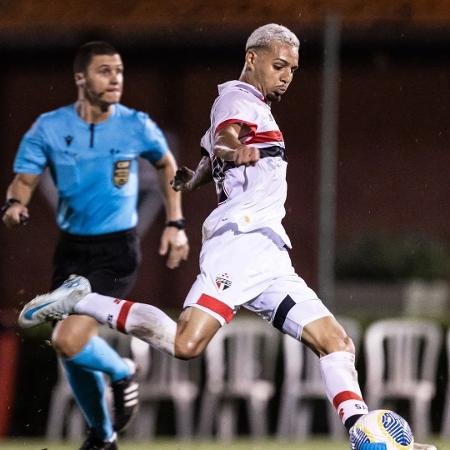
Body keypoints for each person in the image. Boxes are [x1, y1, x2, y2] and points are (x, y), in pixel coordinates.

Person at [16, 26, 432, 449]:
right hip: (240, 242)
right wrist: (234, 149)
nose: (286, 76)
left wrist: (192, 178)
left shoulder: (252, 106)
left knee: (336, 342)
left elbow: (209, 157)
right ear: (252, 58)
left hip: (270, 253)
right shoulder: (236, 99)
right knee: (186, 343)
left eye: (292, 69)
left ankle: (364, 435)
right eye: (279, 65)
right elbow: (225, 138)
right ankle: (79, 298)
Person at [3, 41, 189, 450]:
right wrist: (16, 204)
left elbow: (166, 164)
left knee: (68, 340)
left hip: (115, 251)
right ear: (80, 78)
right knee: (68, 347)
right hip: (71, 250)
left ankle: (122, 371)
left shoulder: (135, 124)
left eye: (119, 71)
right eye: (105, 71)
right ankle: (102, 436)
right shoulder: (49, 127)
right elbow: (25, 178)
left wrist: (175, 223)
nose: (115, 79)